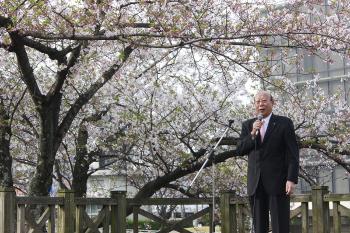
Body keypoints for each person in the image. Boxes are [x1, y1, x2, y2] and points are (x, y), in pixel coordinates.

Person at [236, 90, 299, 233]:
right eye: (257, 102)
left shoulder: (284, 123)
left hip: (278, 182)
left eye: (264, 101)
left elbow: (292, 153)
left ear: (272, 102)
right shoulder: (248, 125)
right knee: (259, 227)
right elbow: (239, 150)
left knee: (280, 225)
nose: (260, 104)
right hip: (256, 183)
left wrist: (291, 179)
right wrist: (252, 134)